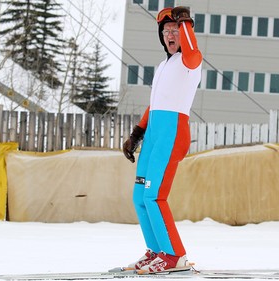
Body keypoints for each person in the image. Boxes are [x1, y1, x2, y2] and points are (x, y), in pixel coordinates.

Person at [122, 6, 203, 273]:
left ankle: (175, 256)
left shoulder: (191, 61)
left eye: (175, 30)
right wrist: (136, 134)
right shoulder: (163, 66)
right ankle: (157, 251)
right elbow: (155, 104)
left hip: (172, 134)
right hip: (154, 135)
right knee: (140, 196)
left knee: (155, 196)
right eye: (166, 31)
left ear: (184, 33)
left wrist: (185, 23)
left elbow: (191, 53)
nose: (170, 35)